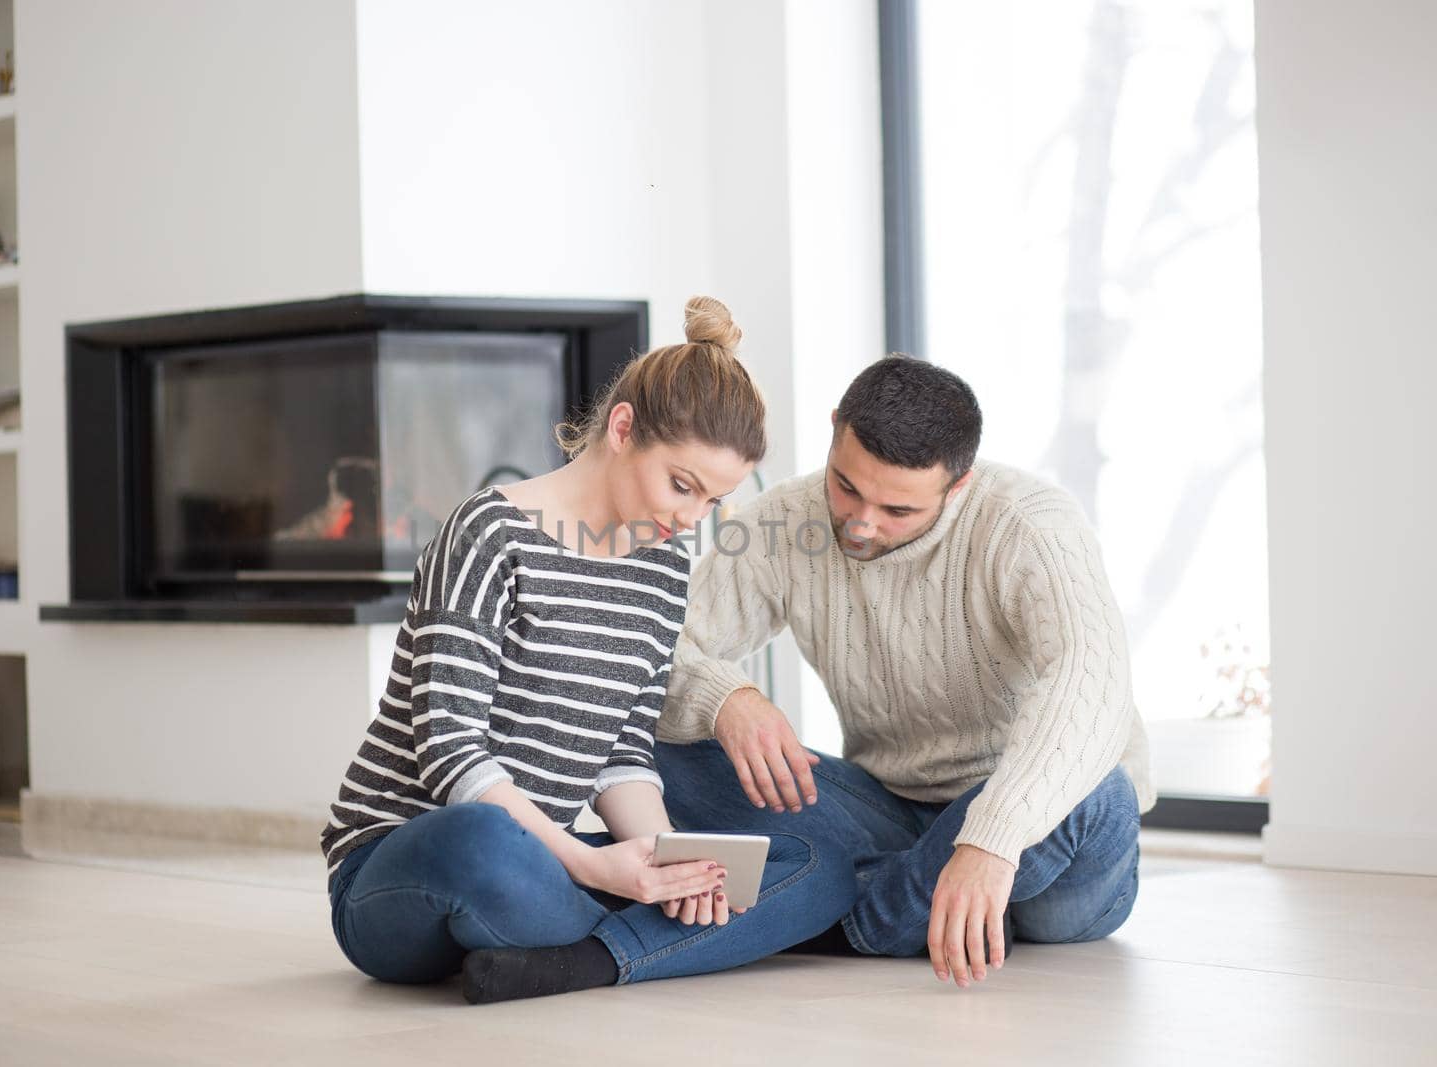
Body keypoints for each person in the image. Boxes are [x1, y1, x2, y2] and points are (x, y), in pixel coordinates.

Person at [321, 297, 855, 1004]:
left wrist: (671, 862)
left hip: (552, 861)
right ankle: (641, 943)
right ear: (623, 427)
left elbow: (622, 749)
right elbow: (449, 749)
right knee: (480, 839)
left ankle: (578, 957)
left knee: (820, 865)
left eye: (711, 502)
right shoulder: (490, 532)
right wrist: (601, 871)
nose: (689, 518)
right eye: (682, 485)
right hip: (412, 861)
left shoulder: (664, 569)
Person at [655, 354, 1155, 989]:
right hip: (890, 813)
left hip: (1039, 855)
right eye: (847, 487)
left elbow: (1092, 683)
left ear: (960, 484)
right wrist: (725, 697)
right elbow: (656, 651)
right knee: (662, 730)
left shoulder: (1030, 524)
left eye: (898, 511)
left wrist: (991, 838)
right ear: (835, 429)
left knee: (1100, 790)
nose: (862, 524)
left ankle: (839, 917)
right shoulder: (782, 522)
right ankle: (876, 899)